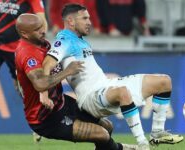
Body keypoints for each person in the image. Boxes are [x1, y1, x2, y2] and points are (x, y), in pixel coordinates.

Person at [43, 3, 184, 150]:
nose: (89, 22)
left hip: (106, 85)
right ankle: (143, 144)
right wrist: (44, 94)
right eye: (84, 18)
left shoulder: (79, 40)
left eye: (89, 18)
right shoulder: (64, 40)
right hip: (90, 97)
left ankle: (157, 133)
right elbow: (47, 64)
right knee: (122, 92)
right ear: (70, 21)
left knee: (164, 81)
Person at [15, 13, 137, 150]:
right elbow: (40, 83)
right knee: (101, 135)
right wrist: (67, 71)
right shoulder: (26, 53)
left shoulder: (41, 42)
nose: (43, 31)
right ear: (24, 34)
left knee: (107, 127)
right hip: (45, 118)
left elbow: (43, 70)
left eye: (42, 26)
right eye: (37, 29)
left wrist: (43, 93)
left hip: (61, 103)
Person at [0, 0, 47, 137]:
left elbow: (41, 19)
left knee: (23, 89)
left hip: (17, 48)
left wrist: (40, 40)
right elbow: (5, 14)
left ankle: (38, 123)